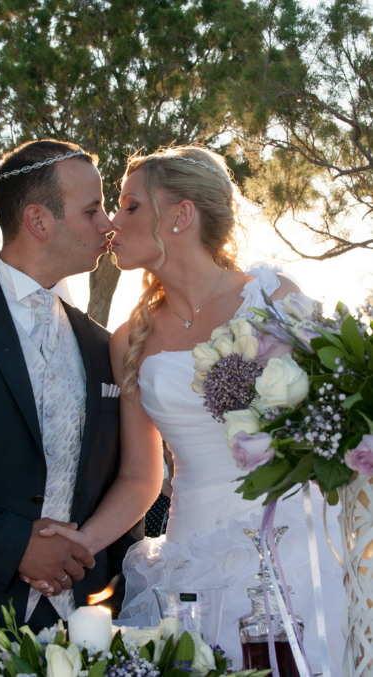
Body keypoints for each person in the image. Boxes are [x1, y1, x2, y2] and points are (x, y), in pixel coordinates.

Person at [0, 139, 162, 673]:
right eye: (92, 210)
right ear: (38, 220)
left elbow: (122, 480)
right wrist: (13, 545)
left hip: (85, 636)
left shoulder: (102, 345)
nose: (108, 225)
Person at [104, 145, 345, 674]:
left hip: (292, 545)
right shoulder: (128, 340)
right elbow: (140, 477)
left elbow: (334, 422)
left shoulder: (272, 298)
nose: (112, 222)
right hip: (192, 557)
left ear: (181, 215)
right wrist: (81, 541)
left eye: (130, 206)